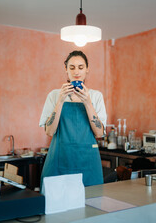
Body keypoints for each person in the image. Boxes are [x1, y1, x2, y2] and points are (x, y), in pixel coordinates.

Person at [39, 50, 107, 187]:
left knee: (92, 206)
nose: (76, 72)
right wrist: (60, 101)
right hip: (59, 161)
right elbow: (49, 131)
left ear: (87, 69)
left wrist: (87, 102)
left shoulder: (95, 96)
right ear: (66, 69)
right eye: (72, 67)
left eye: (81, 67)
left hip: (88, 163)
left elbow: (99, 133)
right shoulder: (54, 95)